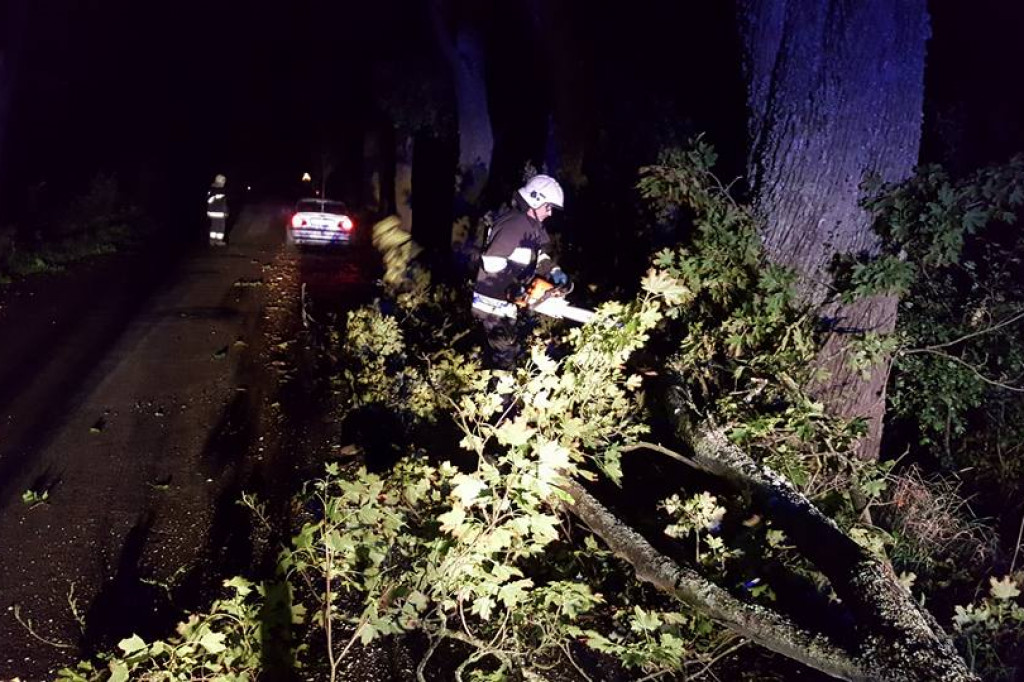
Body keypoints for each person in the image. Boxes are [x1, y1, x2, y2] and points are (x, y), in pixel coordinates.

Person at [472, 174, 569, 370]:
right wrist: (514, 287)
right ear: (536, 199)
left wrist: (555, 273)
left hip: (506, 306)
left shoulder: (533, 228)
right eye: (548, 207)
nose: (550, 213)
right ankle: (499, 397)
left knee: (507, 353)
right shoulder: (514, 224)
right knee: (503, 360)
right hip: (492, 305)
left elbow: (538, 256)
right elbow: (492, 261)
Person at [207, 174, 228, 245]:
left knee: (214, 226)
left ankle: (212, 240)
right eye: (223, 181)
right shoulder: (221, 190)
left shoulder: (211, 190)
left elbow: (209, 201)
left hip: (212, 213)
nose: (224, 182)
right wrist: (225, 212)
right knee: (220, 227)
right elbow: (223, 204)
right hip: (219, 213)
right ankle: (218, 241)